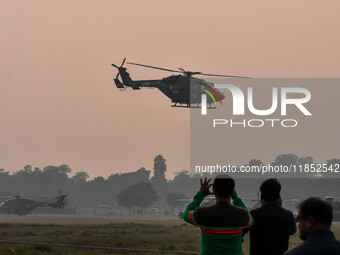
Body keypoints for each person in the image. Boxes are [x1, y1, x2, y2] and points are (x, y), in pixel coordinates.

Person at [183, 175, 253, 255]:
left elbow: (186, 214)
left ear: (214, 190)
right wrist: (236, 198)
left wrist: (201, 194)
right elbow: (251, 220)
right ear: (232, 191)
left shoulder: (202, 213)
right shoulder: (242, 215)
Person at [245, 178, 296, 255]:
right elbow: (293, 231)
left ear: (261, 196)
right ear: (278, 196)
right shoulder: (288, 215)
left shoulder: (254, 215)